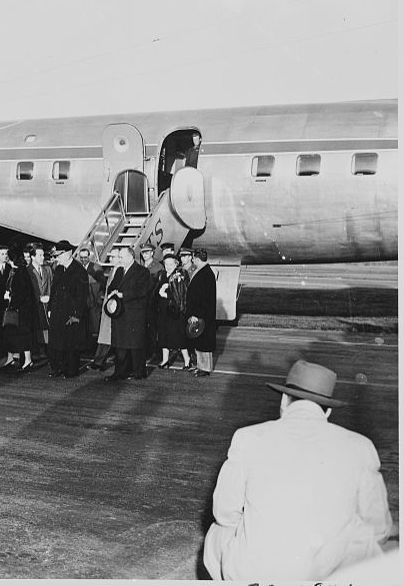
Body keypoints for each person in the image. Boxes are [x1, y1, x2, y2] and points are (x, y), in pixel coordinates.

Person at [204, 360, 393, 581]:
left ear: (285, 400)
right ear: (328, 411)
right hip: (329, 575)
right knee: (371, 539)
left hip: (257, 573)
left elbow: (224, 513)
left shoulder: (247, 437)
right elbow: (379, 528)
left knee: (219, 532)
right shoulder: (361, 446)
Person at [105, 246, 150, 381]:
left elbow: (142, 291)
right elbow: (112, 287)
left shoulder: (142, 271)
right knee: (120, 345)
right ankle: (120, 372)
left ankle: (138, 372)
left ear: (130, 257)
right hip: (120, 314)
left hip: (134, 314)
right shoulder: (119, 271)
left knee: (135, 345)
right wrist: (112, 293)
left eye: (121, 257)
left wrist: (123, 294)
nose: (119, 259)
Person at [47, 240, 88, 378]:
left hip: (71, 313)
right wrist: (50, 307)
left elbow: (82, 296)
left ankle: (71, 370)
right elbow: (54, 289)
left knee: (71, 343)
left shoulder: (79, 271)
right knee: (57, 342)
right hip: (58, 311)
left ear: (68, 254)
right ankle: (58, 368)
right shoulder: (59, 268)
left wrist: (77, 315)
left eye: (59, 254)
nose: (57, 257)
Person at [155, 248, 192, 370]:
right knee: (163, 335)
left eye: (171, 264)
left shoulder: (180, 275)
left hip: (174, 311)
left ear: (176, 264)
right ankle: (165, 360)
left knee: (178, 336)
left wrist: (165, 294)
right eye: (166, 264)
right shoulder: (161, 275)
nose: (168, 266)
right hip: (163, 311)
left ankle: (187, 360)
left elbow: (182, 294)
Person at [183, 248, 217, 377]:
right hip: (200, 313)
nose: (192, 260)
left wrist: (196, 314)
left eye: (193, 258)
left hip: (202, 314)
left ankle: (206, 368)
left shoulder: (205, 274)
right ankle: (200, 366)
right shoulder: (203, 271)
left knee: (204, 342)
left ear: (197, 259)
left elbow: (203, 298)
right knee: (200, 341)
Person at [1, 247, 35, 372]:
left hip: (20, 310)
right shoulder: (19, 271)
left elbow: (21, 293)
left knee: (22, 335)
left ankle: (27, 360)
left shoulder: (19, 273)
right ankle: (21, 360)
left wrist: (11, 300)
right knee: (17, 334)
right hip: (21, 309)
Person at [89, 248, 120, 370]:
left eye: (113, 257)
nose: (110, 259)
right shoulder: (113, 270)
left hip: (114, 308)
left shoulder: (120, 270)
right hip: (108, 308)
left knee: (108, 335)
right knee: (106, 335)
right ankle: (100, 361)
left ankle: (99, 361)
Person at [27, 243, 53, 357]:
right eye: (40, 255)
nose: (43, 257)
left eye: (43, 255)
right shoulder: (27, 271)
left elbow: (52, 285)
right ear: (32, 257)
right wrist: (39, 298)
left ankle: (46, 350)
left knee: (47, 328)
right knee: (36, 329)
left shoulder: (47, 269)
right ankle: (37, 350)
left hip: (47, 306)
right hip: (34, 306)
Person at [77, 247, 105, 346]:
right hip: (81, 299)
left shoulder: (96, 268)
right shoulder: (78, 267)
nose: (83, 260)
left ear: (89, 256)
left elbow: (102, 284)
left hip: (93, 299)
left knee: (93, 323)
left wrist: (91, 282)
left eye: (85, 257)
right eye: (81, 258)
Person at [141, 244, 163, 362]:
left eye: (147, 252)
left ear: (152, 253)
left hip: (152, 302)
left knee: (152, 329)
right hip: (142, 302)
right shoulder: (141, 266)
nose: (145, 255)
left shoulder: (158, 267)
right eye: (143, 253)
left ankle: (154, 352)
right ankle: (147, 351)